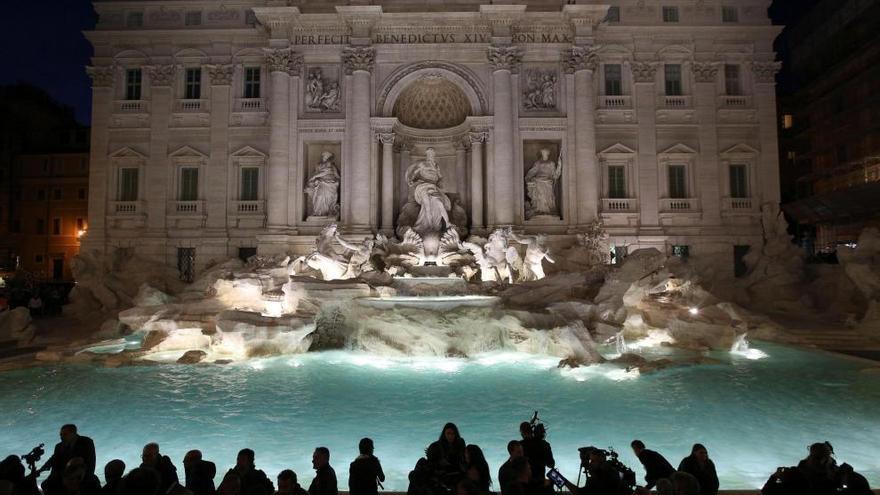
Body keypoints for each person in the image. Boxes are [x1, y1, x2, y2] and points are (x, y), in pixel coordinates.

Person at [40, 424, 97, 495]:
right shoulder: (59, 446)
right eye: (60, 435)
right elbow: (53, 459)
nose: (61, 437)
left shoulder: (86, 442)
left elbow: (91, 462)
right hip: (62, 474)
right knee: (45, 484)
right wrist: (40, 470)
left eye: (64, 434)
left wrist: (84, 477)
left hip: (79, 474)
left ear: (73, 433)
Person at [426, 423, 466, 488]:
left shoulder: (460, 443)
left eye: (453, 434)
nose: (450, 436)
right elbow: (432, 465)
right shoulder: (436, 446)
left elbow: (463, 459)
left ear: (456, 434)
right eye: (448, 433)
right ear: (444, 434)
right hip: (443, 474)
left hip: (457, 472)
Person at [520, 423, 554, 493]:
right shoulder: (545, 444)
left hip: (525, 485)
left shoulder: (519, 446)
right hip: (540, 483)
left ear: (522, 432)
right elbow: (551, 464)